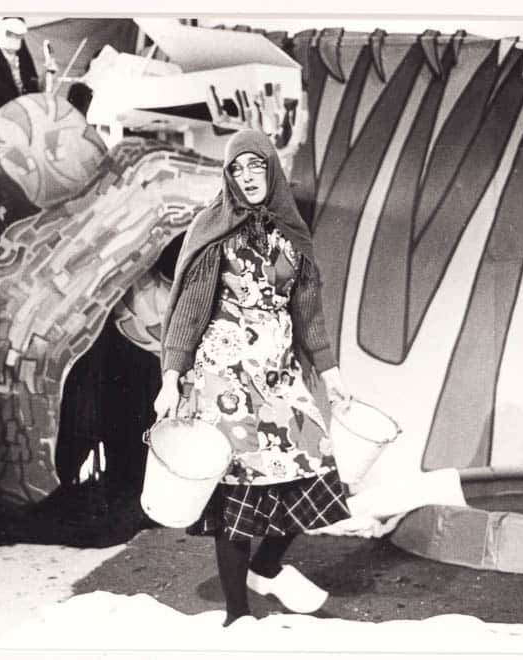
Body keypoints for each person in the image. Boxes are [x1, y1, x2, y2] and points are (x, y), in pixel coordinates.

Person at [153, 129, 352, 627]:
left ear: (271, 170)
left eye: (255, 166)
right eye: (236, 169)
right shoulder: (215, 229)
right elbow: (189, 313)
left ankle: (265, 569)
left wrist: (330, 374)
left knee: (313, 464)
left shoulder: (291, 232)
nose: (246, 177)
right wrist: (171, 378)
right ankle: (237, 615)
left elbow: (308, 313)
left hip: (279, 376)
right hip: (226, 381)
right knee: (239, 492)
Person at [0, 17, 49, 127]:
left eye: (19, 35)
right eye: (10, 34)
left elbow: (34, 93)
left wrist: (47, 74)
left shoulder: (24, 61)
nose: (15, 38)